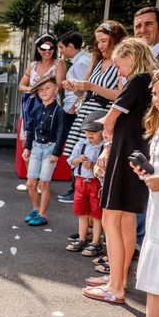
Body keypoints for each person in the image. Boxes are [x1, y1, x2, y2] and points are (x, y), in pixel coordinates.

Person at [83, 38, 158, 303]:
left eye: (119, 64)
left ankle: (115, 287)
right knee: (125, 222)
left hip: (123, 155)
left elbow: (111, 118)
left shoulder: (137, 81)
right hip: (137, 154)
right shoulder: (150, 81)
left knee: (111, 219)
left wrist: (105, 146)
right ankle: (119, 279)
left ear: (131, 56)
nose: (119, 71)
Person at [109, 68, 159, 317]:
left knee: (157, 278)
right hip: (158, 208)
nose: (157, 100)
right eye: (155, 94)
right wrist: (150, 173)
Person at [63, 21, 127, 158]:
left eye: (103, 41)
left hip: (103, 116)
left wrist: (92, 87)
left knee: (96, 160)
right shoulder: (97, 59)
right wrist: (73, 87)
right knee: (77, 159)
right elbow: (82, 91)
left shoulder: (122, 62)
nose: (100, 46)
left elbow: (121, 96)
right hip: (85, 114)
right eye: (98, 42)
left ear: (116, 39)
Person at [16, 33, 66, 191]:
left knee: (47, 141)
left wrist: (43, 88)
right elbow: (20, 86)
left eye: (51, 47)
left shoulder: (59, 63)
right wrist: (34, 89)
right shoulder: (32, 65)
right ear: (38, 48)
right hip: (32, 107)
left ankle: (41, 181)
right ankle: (31, 180)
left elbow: (60, 86)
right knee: (27, 141)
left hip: (50, 107)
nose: (47, 51)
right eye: (43, 47)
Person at [133, 7, 159, 255]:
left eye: (148, 24)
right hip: (143, 133)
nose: (143, 30)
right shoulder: (138, 59)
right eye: (138, 26)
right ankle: (138, 245)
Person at [22, 75, 65, 226]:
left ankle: (43, 214)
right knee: (31, 183)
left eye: (47, 88)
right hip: (35, 147)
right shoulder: (36, 111)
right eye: (40, 89)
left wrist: (56, 153)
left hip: (50, 149)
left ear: (56, 89)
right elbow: (30, 130)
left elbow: (61, 133)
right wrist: (27, 147)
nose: (44, 91)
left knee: (44, 183)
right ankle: (36, 208)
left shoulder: (59, 111)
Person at [56, 30, 91, 204]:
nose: (60, 51)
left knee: (75, 149)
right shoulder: (79, 62)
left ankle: (76, 189)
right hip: (72, 110)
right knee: (72, 148)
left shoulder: (82, 63)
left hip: (75, 111)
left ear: (71, 46)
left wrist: (72, 109)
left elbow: (84, 90)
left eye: (61, 47)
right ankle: (74, 188)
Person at [65, 110, 105, 257]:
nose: (90, 134)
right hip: (80, 182)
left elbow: (104, 168)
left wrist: (93, 165)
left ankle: (95, 242)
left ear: (103, 130)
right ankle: (82, 238)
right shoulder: (81, 144)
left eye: (94, 131)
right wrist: (78, 160)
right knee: (82, 212)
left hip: (96, 183)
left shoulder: (105, 147)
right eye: (87, 131)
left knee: (96, 213)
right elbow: (70, 161)